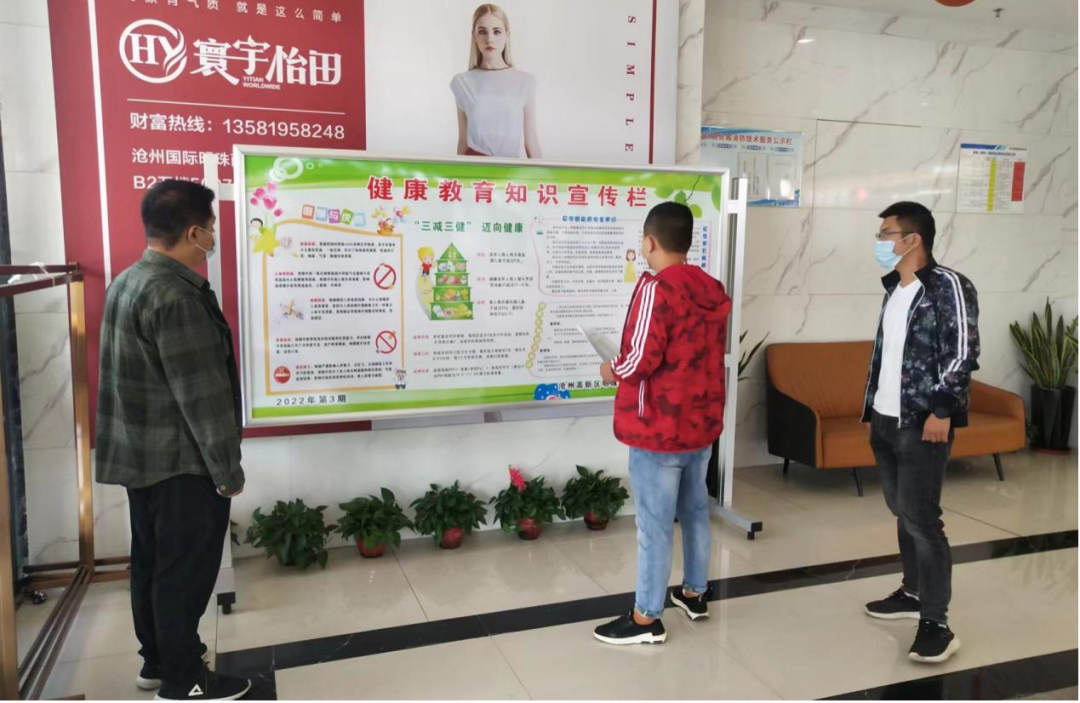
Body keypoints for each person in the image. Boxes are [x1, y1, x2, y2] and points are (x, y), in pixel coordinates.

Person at [96, 180, 251, 701]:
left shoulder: (129, 281)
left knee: (153, 563)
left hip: (144, 458)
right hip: (184, 463)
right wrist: (227, 471)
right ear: (192, 232)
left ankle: (157, 662)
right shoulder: (176, 296)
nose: (213, 237)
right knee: (184, 572)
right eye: (210, 228)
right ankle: (184, 681)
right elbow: (202, 396)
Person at [593, 203, 732, 646]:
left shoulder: (657, 288)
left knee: (653, 525)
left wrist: (611, 368)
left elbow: (640, 359)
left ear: (650, 241)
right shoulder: (711, 288)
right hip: (700, 424)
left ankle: (645, 618)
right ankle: (694, 593)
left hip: (659, 428)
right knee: (695, 512)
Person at [862, 202, 979, 665]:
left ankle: (936, 622)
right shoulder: (895, 288)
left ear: (912, 240)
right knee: (902, 510)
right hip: (885, 418)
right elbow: (888, 355)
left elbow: (963, 351)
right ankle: (912, 592)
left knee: (923, 520)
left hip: (922, 421)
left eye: (886, 234)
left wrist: (942, 409)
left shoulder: (948, 285)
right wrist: (873, 407)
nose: (880, 242)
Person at [452, 4, 542, 158]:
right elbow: (463, 142)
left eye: (497, 32)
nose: (489, 39)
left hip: (510, 169)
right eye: (482, 32)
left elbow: (531, 141)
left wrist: (542, 172)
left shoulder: (524, 82)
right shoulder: (462, 82)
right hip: (475, 168)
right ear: (474, 36)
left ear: (507, 35)